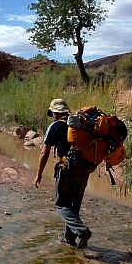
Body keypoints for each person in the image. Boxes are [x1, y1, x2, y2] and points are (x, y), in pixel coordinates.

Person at [34, 99, 96, 249]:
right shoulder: (80, 124)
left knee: (61, 203)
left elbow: (44, 152)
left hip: (67, 168)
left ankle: (81, 231)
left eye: (52, 113)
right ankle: (69, 238)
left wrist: (39, 174)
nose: (52, 116)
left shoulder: (55, 126)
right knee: (74, 205)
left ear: (55, 113)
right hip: (85, 169)